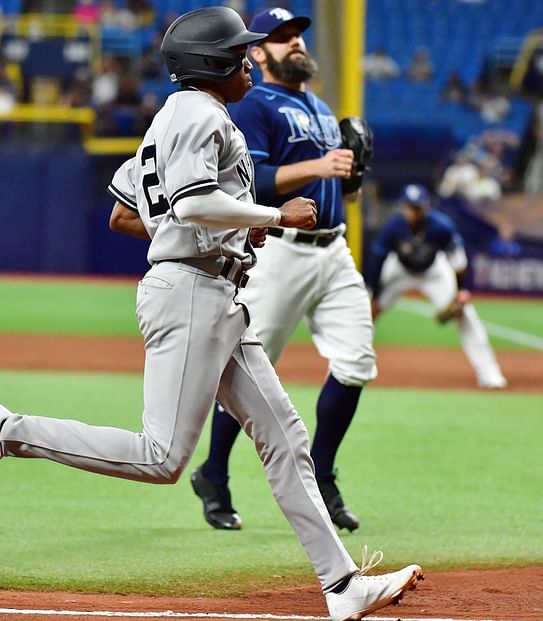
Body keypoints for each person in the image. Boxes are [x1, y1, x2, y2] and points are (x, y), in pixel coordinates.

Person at [0, 7, 423, 621]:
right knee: (162, 458)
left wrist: (226, 234)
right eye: (240, 52)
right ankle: (6, 431)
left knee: (284, 436)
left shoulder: (176, 119)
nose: (249, 59)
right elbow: (196, 204)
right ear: (212, 63)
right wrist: (274, 217)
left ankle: (341, 585)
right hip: (191, 293)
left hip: (215, 291)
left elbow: (129, 211)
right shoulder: (198, 113)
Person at [189, 7, 376, 534]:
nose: (294, 43)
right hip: (280, 250)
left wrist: (351, 176)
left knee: (356, 361)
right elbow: (255, 180)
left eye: (297, 35)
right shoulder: (254, 103)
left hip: (334, 251)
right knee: (250, 368)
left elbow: (342, 188)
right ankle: (214, 474)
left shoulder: (318, 106)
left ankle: (320, 477)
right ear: (257, 52)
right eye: (281, 37)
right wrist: (320, 167)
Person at [368, 184, 507, 390]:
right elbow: (378, 259)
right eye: (408, 206)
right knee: (366, 312)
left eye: (416, 207)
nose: (412, 212)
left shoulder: (441, 226)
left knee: (465, 315)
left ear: (425, 207)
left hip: (434, 272)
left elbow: (458, 261)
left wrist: (462, 290)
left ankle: (489, 373)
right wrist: (375, 294)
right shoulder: (393, 227)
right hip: (399, 270)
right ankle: (356, 366)